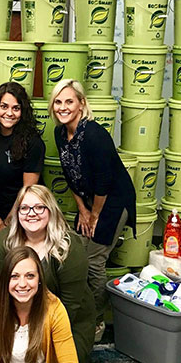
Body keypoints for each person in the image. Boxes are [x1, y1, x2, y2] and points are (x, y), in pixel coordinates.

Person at [49, 79, 136, 337]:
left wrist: (95, 215)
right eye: (58, 102)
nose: (63, 107)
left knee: (94, 261)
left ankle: (97, 320)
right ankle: (79, 311)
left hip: (113, 199)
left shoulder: (95, 135)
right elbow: (70, 175)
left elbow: (104, 181)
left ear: (81, 104)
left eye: (69, 101)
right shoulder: (60, 133)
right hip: (89, 200)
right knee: (76, 254)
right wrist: (83, 211)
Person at [0, 185, 95, 363]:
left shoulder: (69, 246)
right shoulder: (5, 241)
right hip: (17, 318)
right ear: (17, 212)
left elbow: (71, 305)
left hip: (66, 320)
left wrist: (40, 338)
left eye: (39, 207)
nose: (32, 213)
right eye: (24, 208)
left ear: (51, 211)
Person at [0, 82, 45, 230]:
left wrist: (10, 219)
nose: (9, 113)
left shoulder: (32, 142)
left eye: (16, 108)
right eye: (4, 106)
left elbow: (28, 188)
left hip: (25, 212)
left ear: (23, 112)